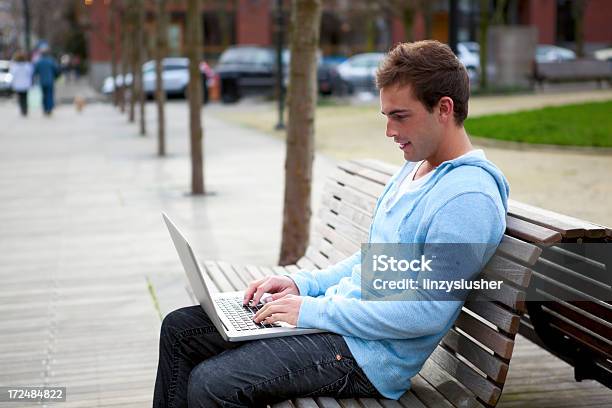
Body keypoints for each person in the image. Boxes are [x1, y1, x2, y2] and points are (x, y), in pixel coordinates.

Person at [153, 40, 509, 407]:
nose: (389, 131)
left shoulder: (468, 199)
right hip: (339, 324)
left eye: (400, 116)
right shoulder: (415, 169)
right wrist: (300, 284)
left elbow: (426, 313)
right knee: (180, 330)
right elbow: (372, 263)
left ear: (444, 109)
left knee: (210, 385)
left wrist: (310, 310)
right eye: (385, 116)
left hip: (365, 357)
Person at [33, 45, 59, 116]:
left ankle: (45, 109)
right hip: (50, 81)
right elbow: (56, 70)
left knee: (44, 95)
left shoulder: (39, 62)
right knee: (49, 95)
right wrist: (56, 76)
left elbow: (35, 71)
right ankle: (49, 109)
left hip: (42, 81)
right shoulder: (51, 61)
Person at [9, 51, 33, 117]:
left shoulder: (14, 66)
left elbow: (12, 74)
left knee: (20, 98)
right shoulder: (27, 65)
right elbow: (30, 73)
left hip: (18, 85)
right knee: (25, 98)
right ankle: (25, 110)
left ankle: (22, 110)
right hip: (25, 84)